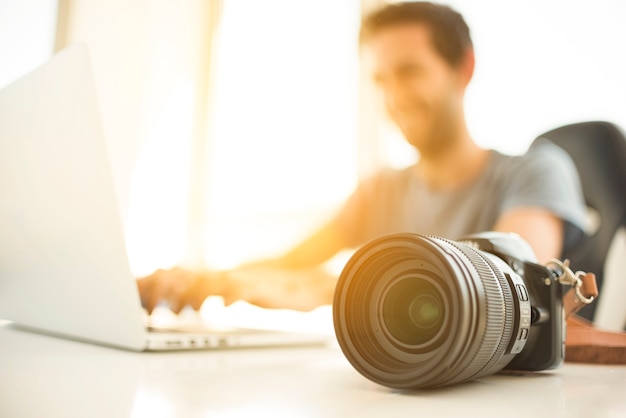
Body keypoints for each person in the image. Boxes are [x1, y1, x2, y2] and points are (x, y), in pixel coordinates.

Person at [137, 1, 587, 314]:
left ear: (463, 68)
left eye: (410, 72)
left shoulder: (536, 171)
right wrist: (203, 278)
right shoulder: (381, 191)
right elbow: (289, 264)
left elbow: (509, 283)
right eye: (381, 79)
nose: (394, 96)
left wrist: (325, 291)